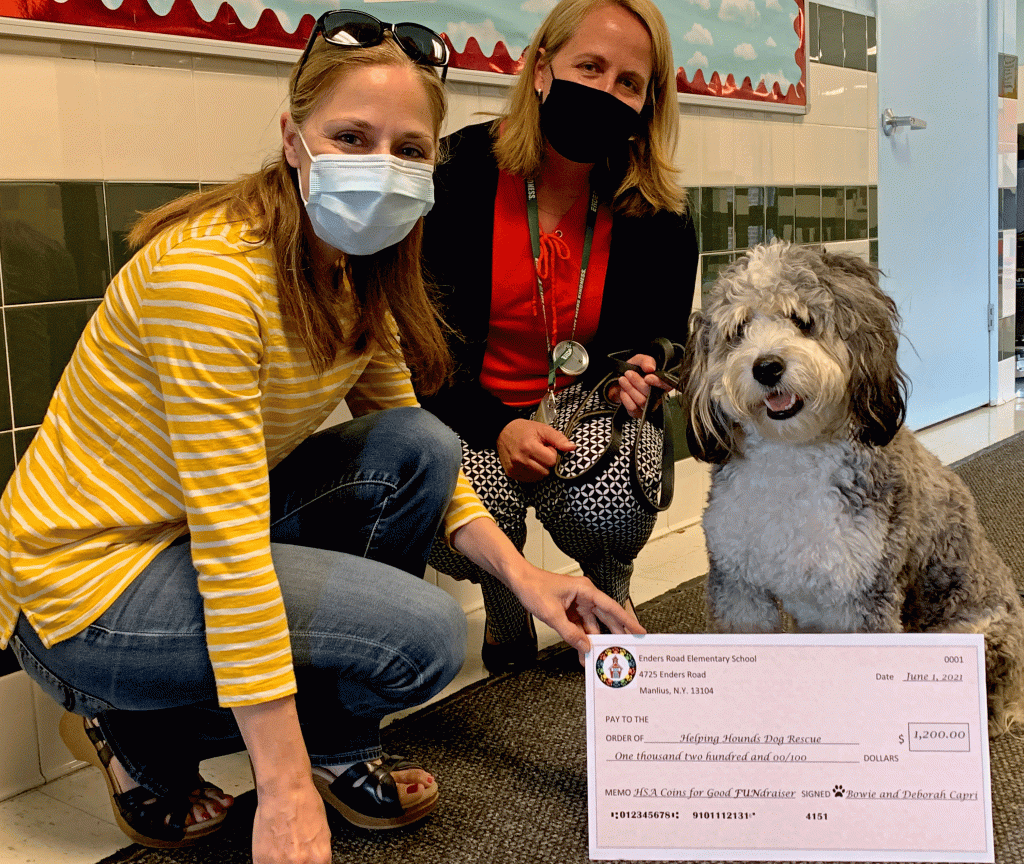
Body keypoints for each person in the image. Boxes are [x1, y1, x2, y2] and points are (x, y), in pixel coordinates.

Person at [0, 11, 643, 864]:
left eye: (410, 149)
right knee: (422, 643)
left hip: (185, 539)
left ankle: (338, 747)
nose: (382, 165)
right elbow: (230, 547)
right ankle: (132, 733)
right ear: (292, 138)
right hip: (86, 585)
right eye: (351, 135)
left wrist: (530, 578)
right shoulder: (212, 279)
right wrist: (282, 789)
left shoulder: (355, 268)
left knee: (417, 441)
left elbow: (424, 455)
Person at [420, 0, 698, 674]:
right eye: (590, 67)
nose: (604, 92)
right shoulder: (456, 175)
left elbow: (669, 341)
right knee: (449, 493)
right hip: (470, 406)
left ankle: (609, 592)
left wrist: (648, 368)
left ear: (647, 104)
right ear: (542, 67)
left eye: (628, 83)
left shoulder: (659, 212)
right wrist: (498, 427)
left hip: (583, 406)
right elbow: (423, 348)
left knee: (615, 494)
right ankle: (507, 600)